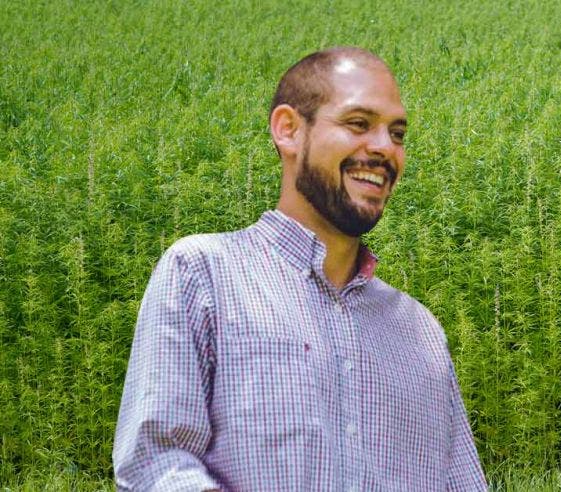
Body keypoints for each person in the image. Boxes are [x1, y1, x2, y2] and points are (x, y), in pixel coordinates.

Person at [113, 46, 487, 491]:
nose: (385, 148)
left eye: (398, 133)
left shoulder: (419, 332)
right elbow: (156, 464)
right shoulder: (204, 275)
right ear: (288, 130)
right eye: (358, 124)